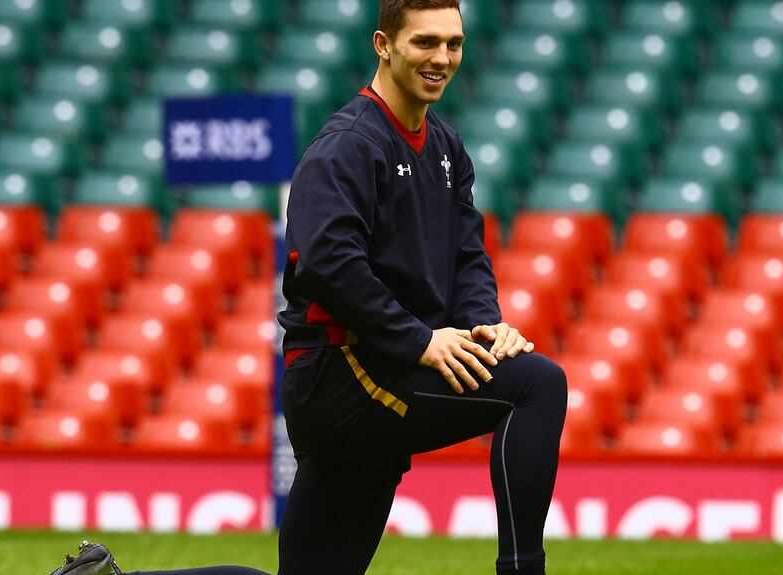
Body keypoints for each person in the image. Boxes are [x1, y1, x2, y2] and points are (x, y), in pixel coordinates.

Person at [61, 1, 566, 574]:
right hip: (344, 372)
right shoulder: (348, 143)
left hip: (380, 370)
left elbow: (466, 257)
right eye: (425, 42)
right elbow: (327, 264)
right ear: (383, 45)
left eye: (454, 44)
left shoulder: (447, 148)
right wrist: (421, 340)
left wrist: (484, 324)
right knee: (537, 385)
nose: (442, 58)